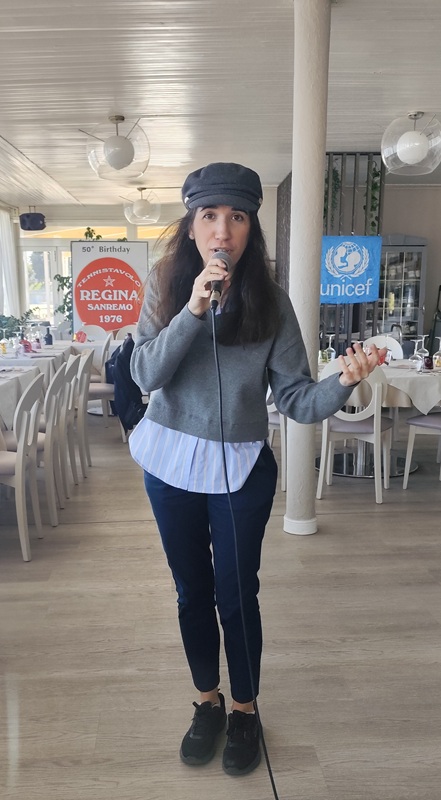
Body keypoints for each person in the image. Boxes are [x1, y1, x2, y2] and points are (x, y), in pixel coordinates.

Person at [129, 162, 382, 777]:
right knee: (191, 590)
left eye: (237, 217)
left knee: (238, 593)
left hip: (241, 468)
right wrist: (191, 312)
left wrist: (343, 382)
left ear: (251, 228)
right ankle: (206, 701)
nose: (223, 230)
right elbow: (144, 375)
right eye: (210, 216)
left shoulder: (271, 304)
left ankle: (244, 709)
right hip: (168, 462)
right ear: (192, 227)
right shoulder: (164, 287)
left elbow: (297, 400)